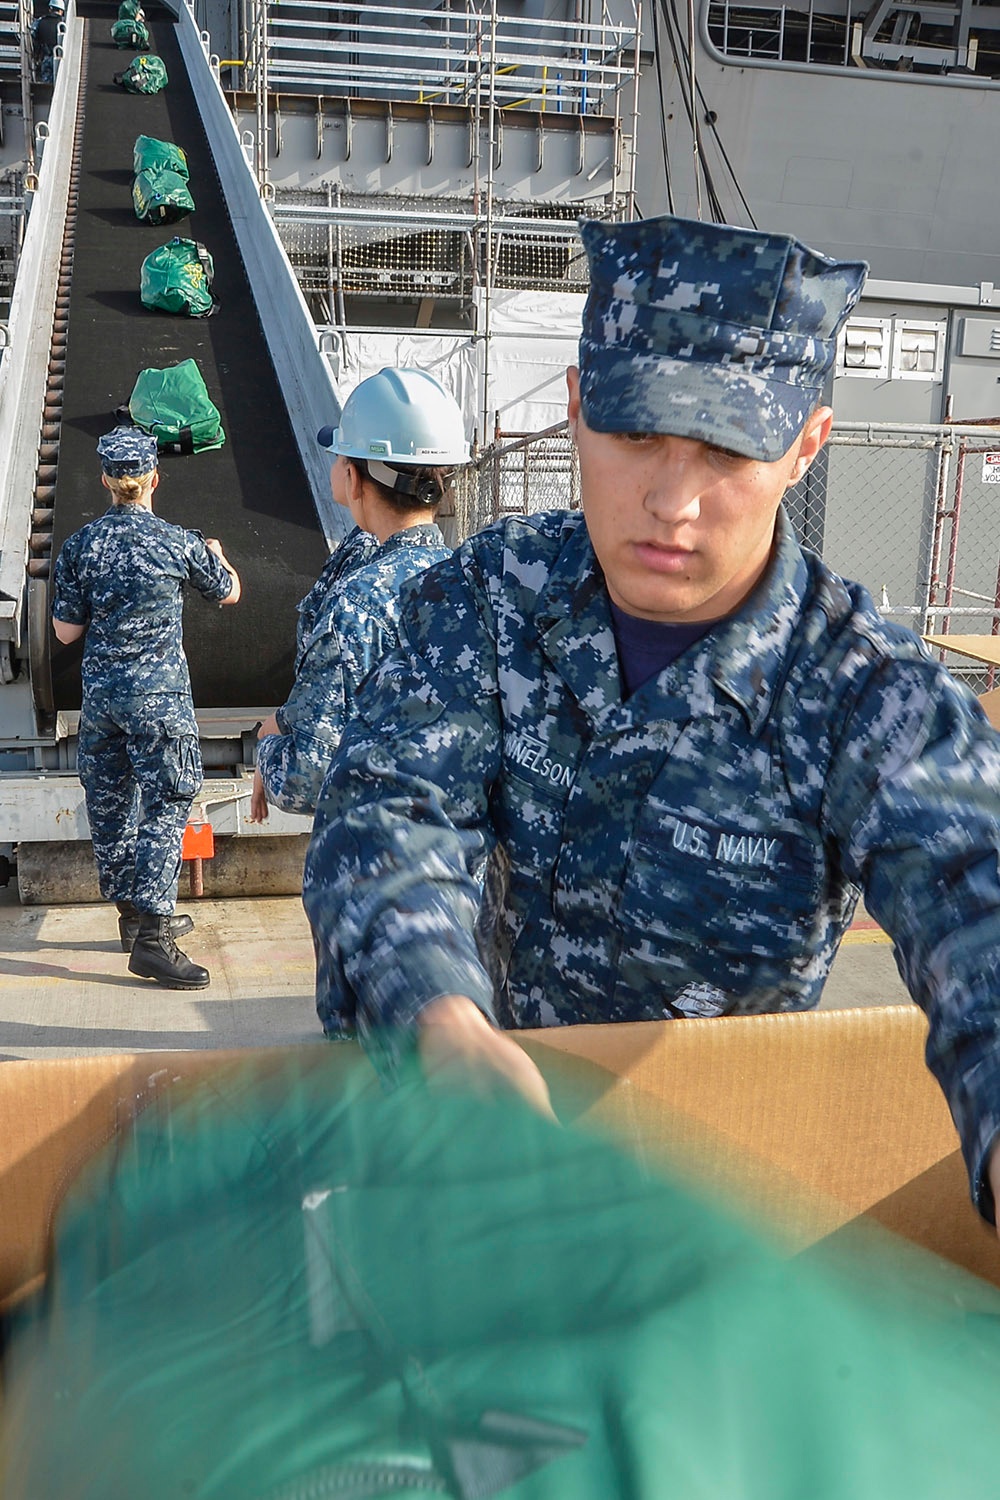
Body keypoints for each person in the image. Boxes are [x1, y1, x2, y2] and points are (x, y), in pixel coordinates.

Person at [302, 212, 1000, 1231]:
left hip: (712, 1200)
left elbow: (972, 889)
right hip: (484, 1153)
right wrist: (437, 1015)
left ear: (805, 447)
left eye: (726, 449)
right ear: (578, 407)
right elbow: (389, 812)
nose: (671, 501)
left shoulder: (860, 689)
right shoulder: (490, 599)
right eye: (634, 435)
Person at [51, 428, 241, 989]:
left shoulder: (80, 547)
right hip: (159, 703)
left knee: (110, 805)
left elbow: (65, 633)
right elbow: (228, 592)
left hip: (103, 702)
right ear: (154, 478)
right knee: (167, 802)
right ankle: (156, 939)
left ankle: (132, 920)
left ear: (106, 481)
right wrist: (218, 557)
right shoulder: (177, 542)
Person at [249, 367, 465, 825]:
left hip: (380, 874)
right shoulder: (471, 582)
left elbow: (306, 780)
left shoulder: (358, 607)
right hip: (466, 871)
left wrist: (266, 747)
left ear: (354, 477)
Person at [30, 0, 64, 82]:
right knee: (59, 82)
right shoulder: (62, 24)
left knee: (47, 83)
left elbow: (33, 35)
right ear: (61, 11)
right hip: (59, 57)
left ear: (50, 9)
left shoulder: (40, 21)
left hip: (45, 57)